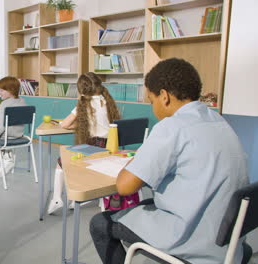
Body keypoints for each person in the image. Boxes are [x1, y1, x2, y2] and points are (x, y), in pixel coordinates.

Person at [89, 58, 249, 264]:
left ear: (164, 96)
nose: (152, 106)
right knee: (146, 204)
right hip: (227, 239)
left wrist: (140, 157)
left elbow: (124, 186)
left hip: (192, 240)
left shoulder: (172, 127)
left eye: (151, 100)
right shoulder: (219, 121)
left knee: (100, 224)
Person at [47, 72, 121, 214]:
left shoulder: (85, 103)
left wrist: (74, 125)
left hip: (95, 145)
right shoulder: (107, 101)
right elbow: (101, 124)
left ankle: (57, 198)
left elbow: (65, 125)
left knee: (61, 161)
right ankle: (79, 199)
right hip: (110, 146)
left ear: (82, 90)